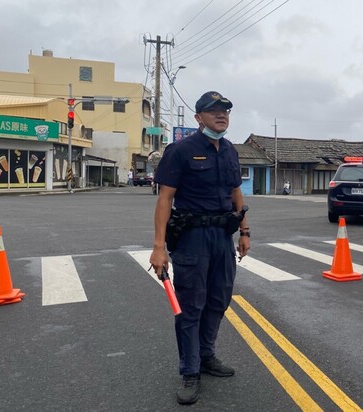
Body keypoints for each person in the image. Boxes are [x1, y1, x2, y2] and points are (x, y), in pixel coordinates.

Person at [149, 91, 250, 405]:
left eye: (225, 111)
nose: (221, 115)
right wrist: (158, 247)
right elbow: (165, 199)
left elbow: (236, 192)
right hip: (192, 237)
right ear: (198, 117)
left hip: (222, 236)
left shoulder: (231, 151)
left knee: (219, 301)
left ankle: (206, 356)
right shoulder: (180, 150)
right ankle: (190, 370)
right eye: (214, 110)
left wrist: (244, 231)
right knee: (190, 306)